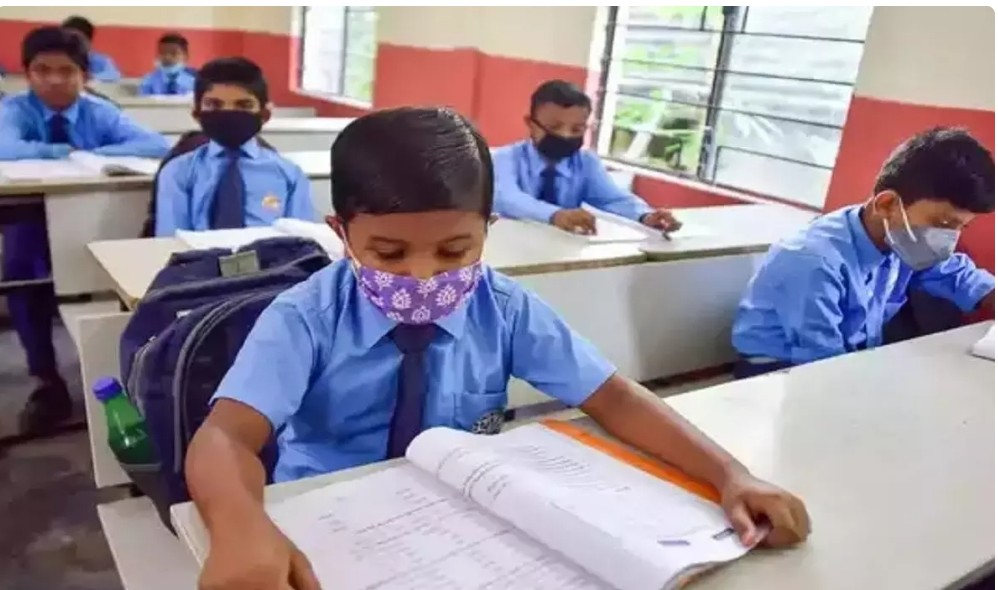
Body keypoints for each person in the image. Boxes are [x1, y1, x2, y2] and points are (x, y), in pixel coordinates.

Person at [184, 106, 811, 589]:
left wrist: (730, 475)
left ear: (489, 229)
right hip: (324, 519)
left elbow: (614, 398)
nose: (423, 275)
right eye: (389, 253)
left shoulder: (503, 307)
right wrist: (240, 528)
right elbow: (226, 437)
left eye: (455, 250)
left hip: (466, 520)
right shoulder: (307, 317)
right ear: (341, 233)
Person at [0, 26, 169, 433]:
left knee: (102, 278)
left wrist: (93, 152)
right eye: (42, 70)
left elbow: (155, 143)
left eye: (66, 71)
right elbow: (5, 147)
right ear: (27, 74)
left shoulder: (98, 110)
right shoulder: (14, 109)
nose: (54, 80)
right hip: (29, 215)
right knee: (24, 277)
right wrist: (66, 151)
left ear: (85, 75)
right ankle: (46, 378)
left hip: (89, 215)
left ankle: (116, 368)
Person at [732, 127, 995, 379]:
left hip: (849, 359)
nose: (950, 239)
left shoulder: (905, 241)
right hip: (778, 370)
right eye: (943, 223)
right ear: (887, 204)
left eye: (961, 227)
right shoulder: (813, 261)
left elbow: (963, 278)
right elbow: (822, 365)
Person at [492, 79, 681, 235]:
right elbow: (506, 198)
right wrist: (556, 215)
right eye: (554, 127)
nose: (565, 135)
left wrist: (646, 216)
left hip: (560, 249)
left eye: (577, 129)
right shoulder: (505, 159)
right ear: (531, 124)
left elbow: (613, 199)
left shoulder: (586, 163)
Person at [154, 57, 314, 236]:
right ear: (197, 114)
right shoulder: (178, 172)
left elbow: (301, 242)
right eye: (214, 105)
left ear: (264, 115)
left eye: (244, 105)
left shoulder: (290, 176)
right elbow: (171, 242)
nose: (228, 113)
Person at [61, 15, 121, 82]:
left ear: (88, 42)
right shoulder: (56, 58)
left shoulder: (98, 59)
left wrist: (91, 77)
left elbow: (114, 75)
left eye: (77, 40)